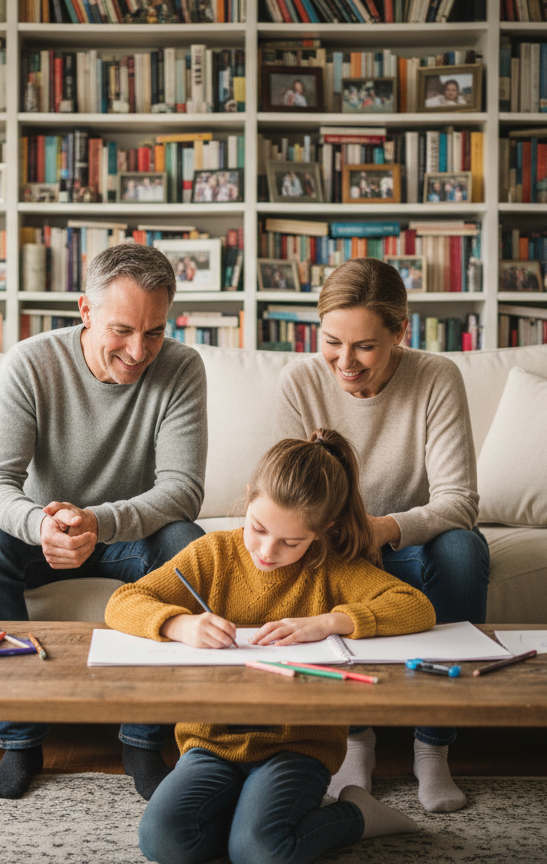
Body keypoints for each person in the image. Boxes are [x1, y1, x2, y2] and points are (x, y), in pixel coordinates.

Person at [107, 429, 434, 864]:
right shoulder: (213, 554)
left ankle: (356, 813)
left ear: (322, 532)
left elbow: (416, 606)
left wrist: (329, 622)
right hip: (212, 740)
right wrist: (178, 624)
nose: (266, 550)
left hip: (298, 743)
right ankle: (250, 817)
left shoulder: (331, 567)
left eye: (290, 542)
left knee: (261, 852)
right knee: (163, 841)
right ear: (247, 500)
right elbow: (122, 602)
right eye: (258, 529)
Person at [0, 242, 209, 800]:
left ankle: (144, 740)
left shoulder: (183, 367)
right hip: (42, 534)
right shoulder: (32, 361)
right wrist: (38, 525)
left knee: (188, 544)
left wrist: (98, 520)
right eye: (122, 329)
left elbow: (183, 491)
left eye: (155, 332)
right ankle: (19, 742)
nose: (139, 350)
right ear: (85, 310)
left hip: (128, 535)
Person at [273, 257, 489, 814]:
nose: (345, 362)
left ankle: (432, 748)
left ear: (400, 332)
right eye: (332, 342)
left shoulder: (435, 376)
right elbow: (289, 495)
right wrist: (344, 534)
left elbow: (459, 501)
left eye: (365, 346)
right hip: (336, 542)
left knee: (466, 550)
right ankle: (355, 741)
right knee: (312, 559)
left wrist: (386, 529)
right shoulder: (300, 382)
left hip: (411, 540)